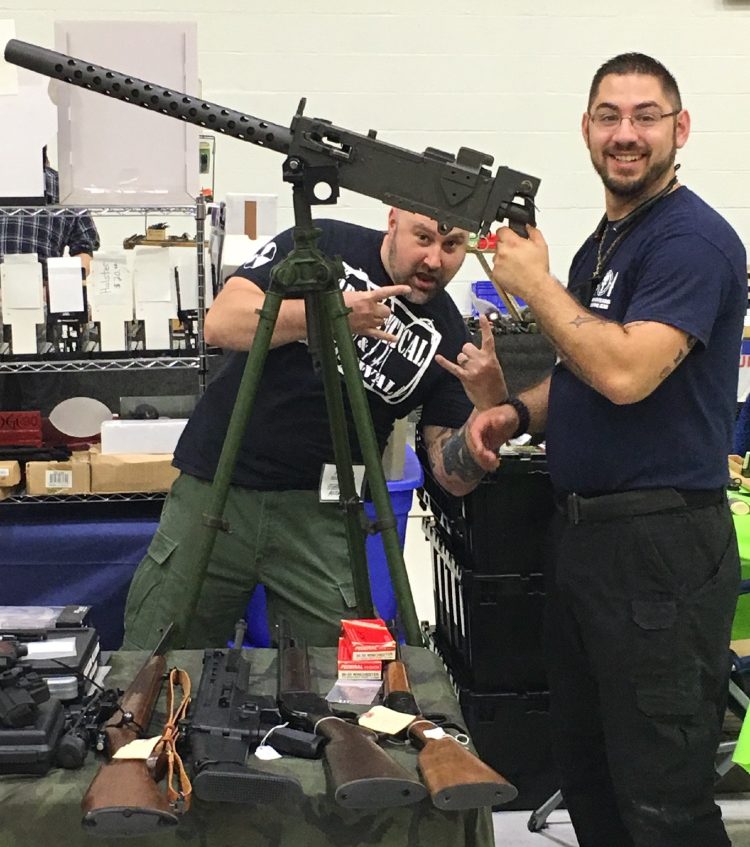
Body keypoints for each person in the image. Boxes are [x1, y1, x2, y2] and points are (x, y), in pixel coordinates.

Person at [463, 53, 746, 847]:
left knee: (662, 802)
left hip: (659, 551)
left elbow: (626, 371)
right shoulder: (605, 246)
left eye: (645, 116)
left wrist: (537, 282)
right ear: (587, 129)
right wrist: (515, 411)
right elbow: (583, 369)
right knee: (591, 782)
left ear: (679, 128)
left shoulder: (694, 241)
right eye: (608, 116)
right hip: (587, 541)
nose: (626, 134)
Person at [123, 208, 505, 650]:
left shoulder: (448, 337)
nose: (435, 260)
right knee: (156, 659)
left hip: (324, 518)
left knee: (339, 683)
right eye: (423, 238)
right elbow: (222, 322)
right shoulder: (322, 247)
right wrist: (328, 312)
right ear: (393, 220)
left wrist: (488, 409)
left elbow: (450, 475)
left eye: (452, 245)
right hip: (219, 489)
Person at [0, 147, 100, 412]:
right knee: (39, 404)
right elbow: (85, 250)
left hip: (42, 312)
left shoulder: (63, 189)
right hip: (42, 310)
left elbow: (84, 251)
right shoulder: (66, 189)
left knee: (37, 401)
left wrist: (58, 286)